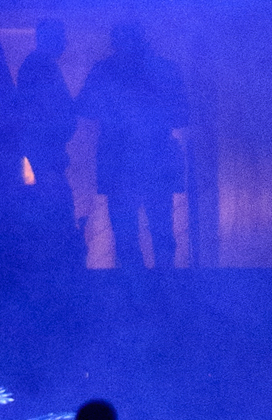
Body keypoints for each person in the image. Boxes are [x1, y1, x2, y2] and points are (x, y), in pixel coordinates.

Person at [75, 20, 189, 271]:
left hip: (121, 163)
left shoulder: (105, 70)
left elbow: (84, 107)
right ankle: (165, 291)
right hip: (152, 161)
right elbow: (183, 115)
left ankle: (134, 295)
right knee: (160, 232)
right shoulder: (163, 69)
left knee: (128, 237)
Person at [13, 18, 81, 258]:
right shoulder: (40, 66)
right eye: (60, 37)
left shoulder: (39, 65)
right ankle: (56, 258)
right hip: (45, 151)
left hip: (45, 150)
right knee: (54, 204)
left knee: (54, 201)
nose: (64, 42)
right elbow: (48, 109)